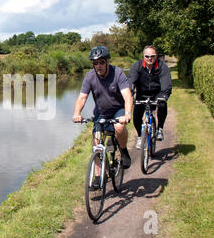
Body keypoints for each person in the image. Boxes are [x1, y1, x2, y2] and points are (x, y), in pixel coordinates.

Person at [73, 46, 133, 185]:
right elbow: (82, 97)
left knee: (119, 127)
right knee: (96, 143)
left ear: (108, 61)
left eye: (101, 62)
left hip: (118, 109)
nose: (98, 66)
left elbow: (127, 95)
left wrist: (127, 114)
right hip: (101, 112)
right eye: (95, 63)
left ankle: (123, 151)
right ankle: (98, 176)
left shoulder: (118, 73)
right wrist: (77, 113)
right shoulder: (89, 76)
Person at [128, 45, 172, 149]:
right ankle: (139, 136)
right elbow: (131, 80)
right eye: (147, 56)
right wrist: (129, 92)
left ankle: (159, 129)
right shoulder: (137, 66)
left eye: (152, 56)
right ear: (143, 56)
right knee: (137, 115)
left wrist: (164, 95)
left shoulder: (162, 66)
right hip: (141, 93)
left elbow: (166, 82)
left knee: (162, 104)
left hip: (157, 93)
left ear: (156, 56)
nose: (149, 58)